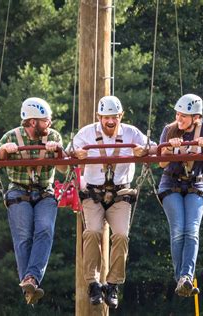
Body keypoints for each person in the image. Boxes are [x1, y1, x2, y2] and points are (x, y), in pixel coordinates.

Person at [70, 95, 156, 309]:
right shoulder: (87, 133)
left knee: (121, 235)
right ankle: (93, 282)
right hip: (93, 194)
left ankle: (113, 283)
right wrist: (76, 154)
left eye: (115, 117)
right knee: (91, 233)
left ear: (121, 116)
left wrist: (144, 151)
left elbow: (154, 148)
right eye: (106, 117)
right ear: (99, 117)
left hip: (120, 194)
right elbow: (68, 151)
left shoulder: (131, 132)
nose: (110, 121)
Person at [0, 97, 67, 305]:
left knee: (44, 229)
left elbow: (64, 168)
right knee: (23, 236)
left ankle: (30, 279)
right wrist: (3, 152)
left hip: (44, 192)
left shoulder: (54, 136)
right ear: (33, 122)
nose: (49, 124)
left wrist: (57, 151)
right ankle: (29, 281)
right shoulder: (12, 136)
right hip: (18, 191)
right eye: (45, 121)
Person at [157, 93, 203, 297]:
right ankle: (180, 278)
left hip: (195, 185)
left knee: (191, 230)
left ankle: (186, 277)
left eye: (184, 116)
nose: (179, 119)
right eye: (178, 114)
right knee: (179, 230)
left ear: (196, 118)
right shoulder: (169, 129)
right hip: (171, 184)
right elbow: (161, 163)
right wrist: (169, 148)